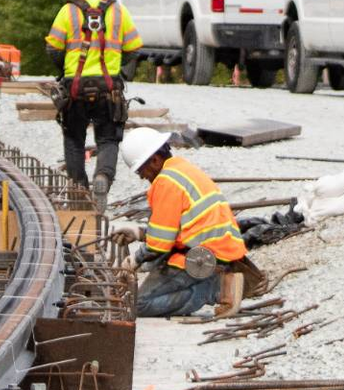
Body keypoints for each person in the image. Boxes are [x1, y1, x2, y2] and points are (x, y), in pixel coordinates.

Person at [108, 128, 263, 318]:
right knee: (152, 285)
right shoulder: (182, 169)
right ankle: (218, 282)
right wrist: (140, 233)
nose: (142, 176)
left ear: (155, 160)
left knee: (138, 304)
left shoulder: (166, 182)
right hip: (219, 250)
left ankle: (218, 289)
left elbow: (159, 246)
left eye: (141, 170)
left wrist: (135, 260)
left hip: (200, 257)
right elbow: (175, 227)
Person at [45, 0, 141, 212]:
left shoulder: (68, 11)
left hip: (75, 87)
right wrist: (115, 65)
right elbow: (133, 48)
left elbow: (52, 49)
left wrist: (66, 68)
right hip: (108, 87)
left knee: (74, 139)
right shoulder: (118, 11)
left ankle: (79, 193)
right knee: (108, 139)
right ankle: (103, 178)